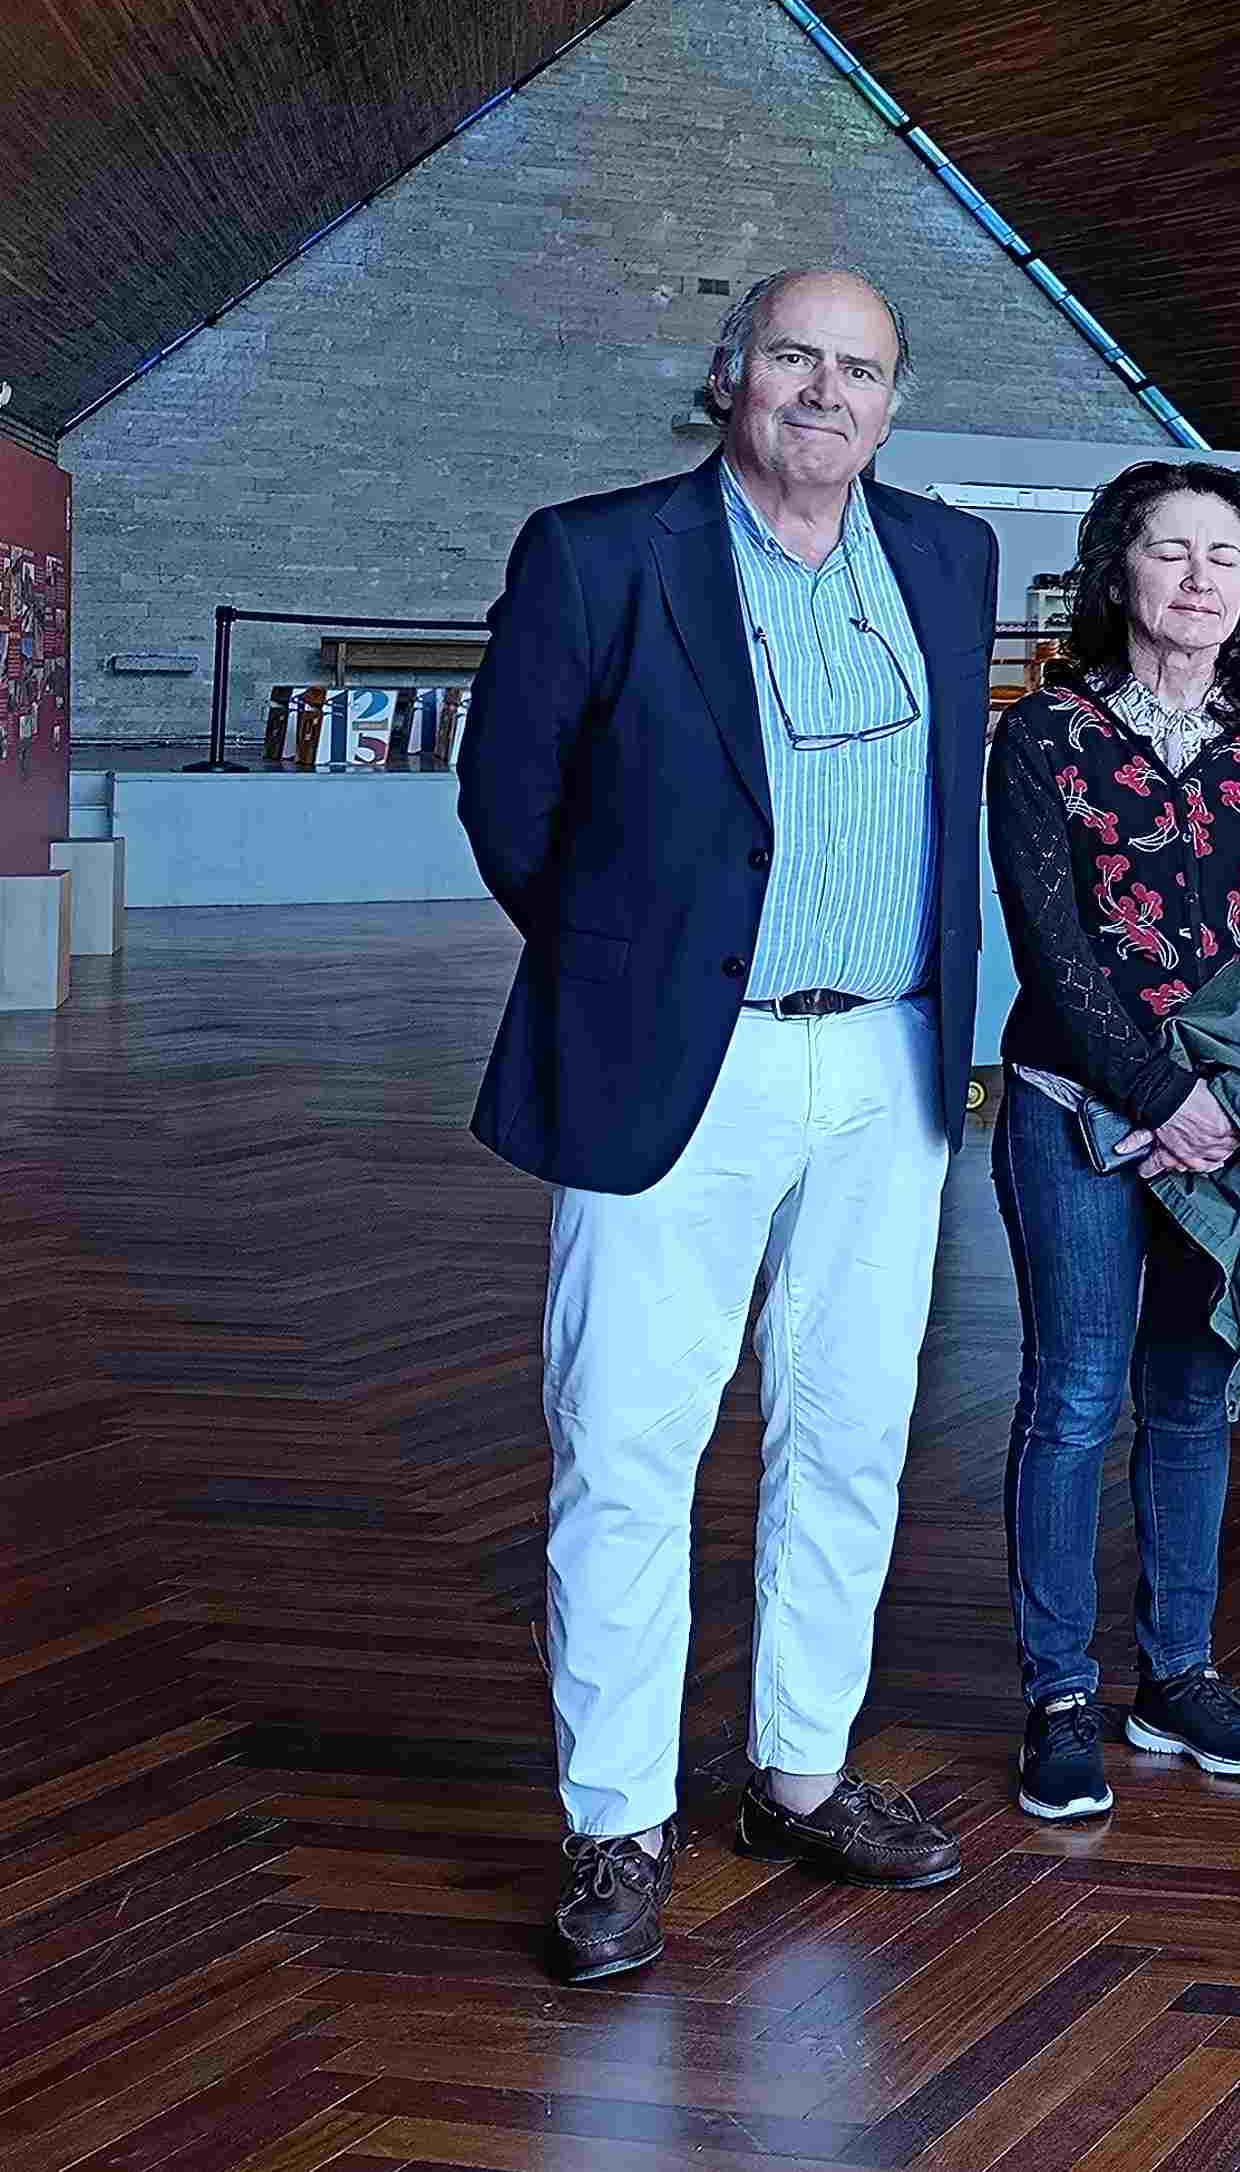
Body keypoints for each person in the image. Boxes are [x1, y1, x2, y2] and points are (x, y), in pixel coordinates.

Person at [458, 266, 995, 1983]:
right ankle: (618, 1821)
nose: (826, 392)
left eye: (862, 370)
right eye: (794, 357)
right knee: (627, 1444)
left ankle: (801, 1775)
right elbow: (510, 803)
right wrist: (633, 974)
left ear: (893, 407)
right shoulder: (600, 552)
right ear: (728, 375)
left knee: (850, 1431)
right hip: (681, 1060)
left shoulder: (951, 557)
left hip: (889, 1059)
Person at [986, 460, 1240, 1821]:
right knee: (1075, 1397)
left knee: (1194, 1398)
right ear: (1116, 570)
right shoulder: (1044, 735)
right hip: (1075, 1108)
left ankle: (1176, 1675)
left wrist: (1227, 1107)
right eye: (1171, 550)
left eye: (1225, 556)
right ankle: (1059, 1695)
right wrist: (1155, 1098)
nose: (1200, 578)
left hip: (1225, 1123)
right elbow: (1052, 950)